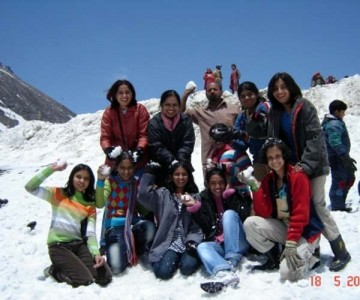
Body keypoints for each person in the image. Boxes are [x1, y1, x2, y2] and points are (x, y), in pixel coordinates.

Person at [267, 72, 351, 271]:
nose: (280, 92)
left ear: (291, 88)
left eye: (283, 87)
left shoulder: (304, 107)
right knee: (300, 208)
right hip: (293, 170)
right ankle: (314, 250)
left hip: (313, 167)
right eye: (276, 88)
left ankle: (341, 250)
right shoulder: (275, 113)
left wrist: (305, 166)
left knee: (317, 206)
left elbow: (315, 140)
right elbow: (274, 141)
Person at [243, 138, 323, 282]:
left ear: (284, 156)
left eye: (278, 156)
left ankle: (312, 256)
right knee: (250, 223)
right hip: (286, 229)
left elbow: (301, 213)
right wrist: (254, 186)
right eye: (270, 158)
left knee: (288, 274)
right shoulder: (269, 180)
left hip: (305, 231)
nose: (275, 161)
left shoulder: (297, 177)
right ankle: (274, 259)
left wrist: (292, 242)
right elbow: (264, 212)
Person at [25, 162, 112, 287]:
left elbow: (90, 232)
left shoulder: (89, 205)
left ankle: (73, 264)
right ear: (72, 177)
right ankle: (54, 271)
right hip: (59, 246)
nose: (82, 181)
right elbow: (30, 187)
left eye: (86, 179)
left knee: (104, 277)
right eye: (78, 176)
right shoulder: (58, 194)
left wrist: (96, 254)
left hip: (78, 245)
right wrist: (51, 169)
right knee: (84, 281)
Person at [187, 168, 251, 292]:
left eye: (221, 182)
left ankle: (231, 260)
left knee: (228, 214)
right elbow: (206, 228)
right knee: (202, 247)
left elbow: (244, 216)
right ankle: (224, 272)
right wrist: (196, 210)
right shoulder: (204, 198)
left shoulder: (234, 194)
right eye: (213, 183)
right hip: (221, 244)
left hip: (239, 242)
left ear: (225, 182)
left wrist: (231, 198)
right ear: (208, 184)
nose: (217, 186)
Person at [137, 161, 203, 280]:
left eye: (184, 174)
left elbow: (198, 225)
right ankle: (170, 257)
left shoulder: (195, 196)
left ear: (189, 176)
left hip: (188, 242)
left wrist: (193, 241)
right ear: (171, 177)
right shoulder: (163, 194)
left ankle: (186, 258)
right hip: (169, 243)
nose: (180, 177)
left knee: (187, 268)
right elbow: (142, 196)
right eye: (177, 174)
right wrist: (148, 174)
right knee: (163, 273)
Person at [95, 150, 156, 275]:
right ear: (116, 167)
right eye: (122, 168)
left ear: (134, 168)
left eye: (129, 168)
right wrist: (100, 181)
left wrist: (151, 196)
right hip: (114, 227)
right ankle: (120, 249)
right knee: (117, 267)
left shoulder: (136, 183)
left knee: (149, 227)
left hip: (132, 225)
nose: (126, 172)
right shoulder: (110, 182)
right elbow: (100, 203)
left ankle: (136, 249)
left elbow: (142, 210)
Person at [180, 81, 239, 169]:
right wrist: (186, 94)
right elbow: (181, 113)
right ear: (206, 93)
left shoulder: (234, 110)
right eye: (209, 90)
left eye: (215, 89)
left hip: (231, 159)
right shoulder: (200, 113)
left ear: (221, 92)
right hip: (209, 162)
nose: (212, 91)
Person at [100, 79, 150, 176]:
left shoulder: (140, 110)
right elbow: (105, 137)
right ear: (115, 95)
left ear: (132, 94)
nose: (124, 96)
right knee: (111, 189)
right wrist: (108, 150)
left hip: (138, 162)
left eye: (127, 92)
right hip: (116, 162)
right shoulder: (109, 112)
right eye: (120, 93)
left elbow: (143, 134)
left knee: (139, 189)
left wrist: (139, 150)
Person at [147, 90, 195, 186]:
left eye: (174, 105)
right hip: (161, 168)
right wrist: (171, 160)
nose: (171, 108)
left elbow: (188, 143)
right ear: (162, 105)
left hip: (182, 166)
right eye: (167, 105)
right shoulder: (154, 123)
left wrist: (180, 160)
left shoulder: (185, 121)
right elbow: (156, 146)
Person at [321, 100, 356, 212]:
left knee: (349, 177)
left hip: (339, 156)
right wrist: (344, 157)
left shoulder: (334, 122)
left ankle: (340, 201)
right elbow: (335, 142)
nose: (344, 114)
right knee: (340, 180)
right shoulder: (333, 124)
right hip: (337, 157)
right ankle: (337, 205)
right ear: (337, 112)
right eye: (342, 112)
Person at [233, 81, 271, 181]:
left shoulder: (265, 107)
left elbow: (270, 134)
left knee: (281, 194)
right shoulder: (242, 116)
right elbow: (241, 145)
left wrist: (246, 137)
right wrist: (230, 137)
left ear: (257, 94)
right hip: (258, 161)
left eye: (250, 94)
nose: (247, 98)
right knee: (260, 193)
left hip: (274, 159)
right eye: (243, 96)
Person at [206, 123, 252, 195]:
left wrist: (224, 168)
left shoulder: (233, 153)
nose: (214, 142)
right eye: (212, 139)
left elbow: (247, 173)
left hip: (241, 194)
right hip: (226, 195)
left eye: (217, 140)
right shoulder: (216, 154)